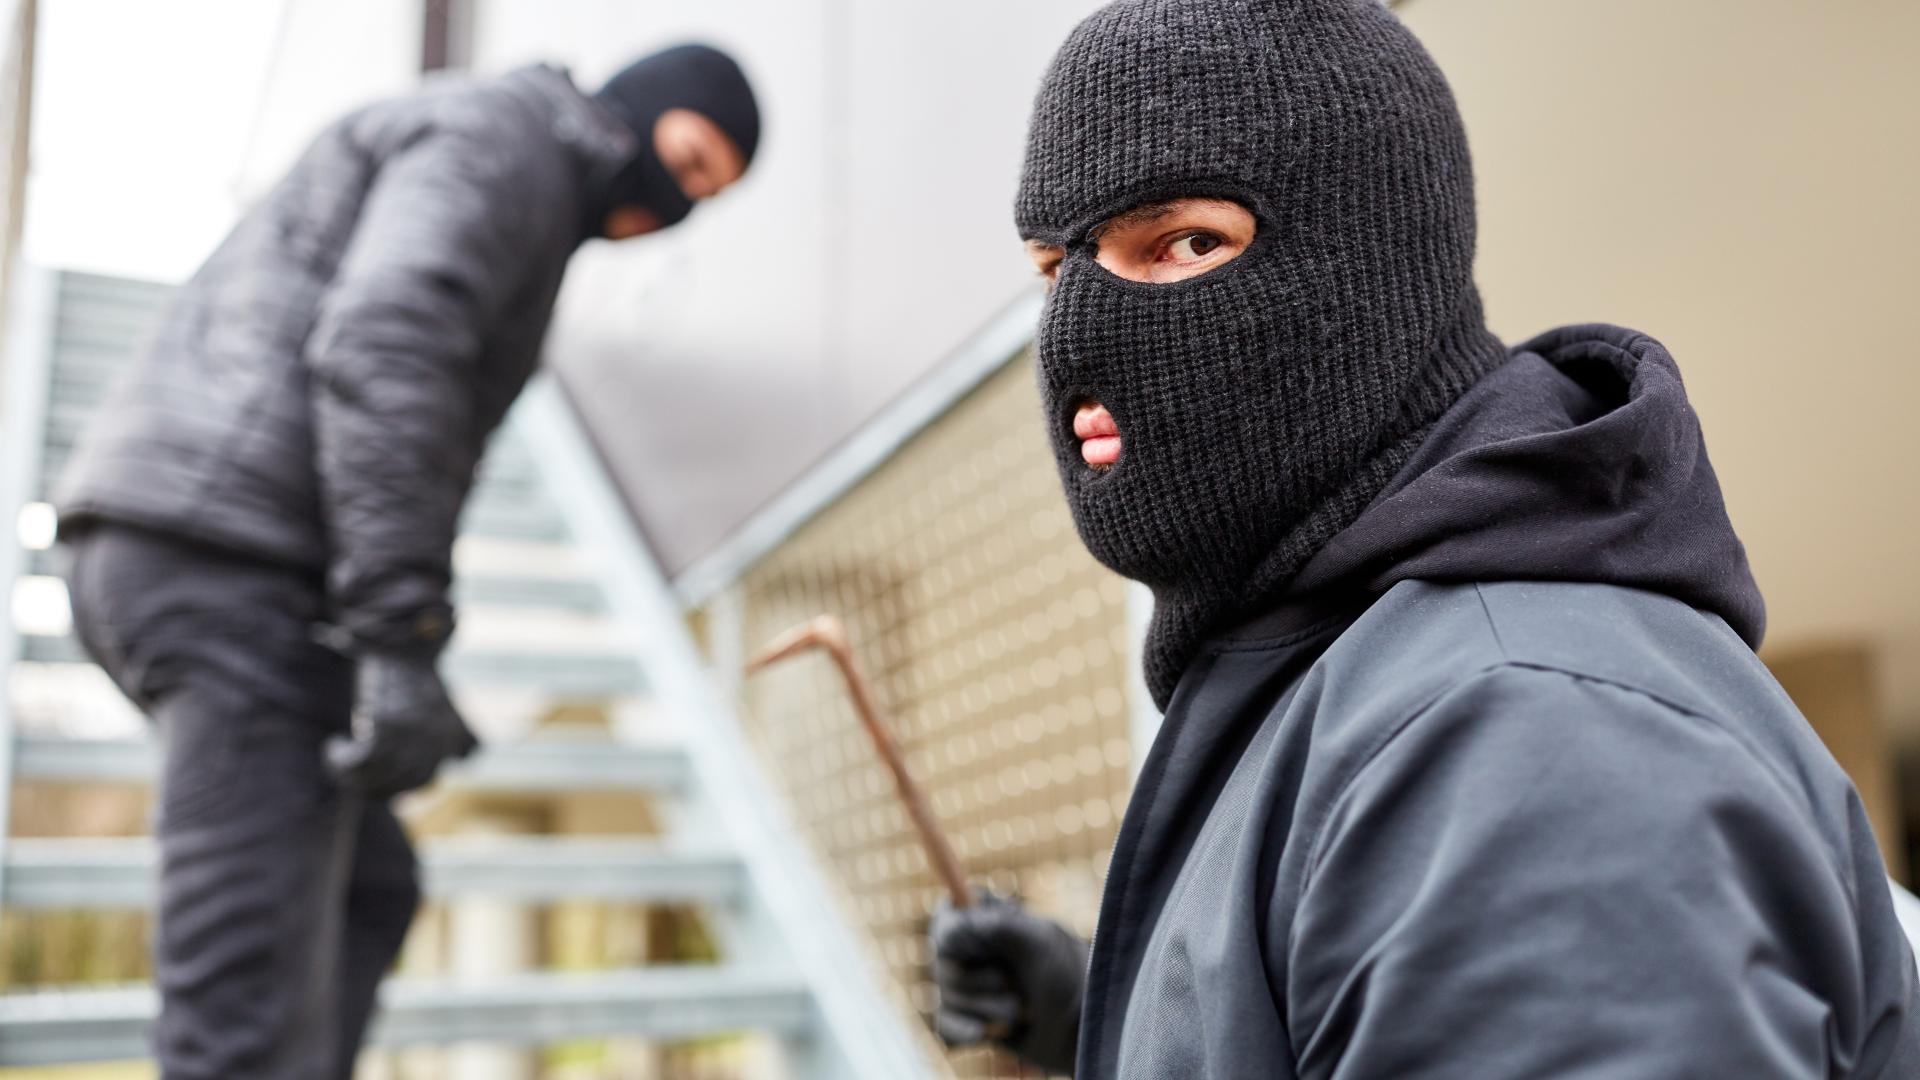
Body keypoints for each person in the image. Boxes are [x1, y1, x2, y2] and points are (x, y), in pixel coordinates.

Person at [929, 1, 1920, 1077]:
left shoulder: (1523, 737)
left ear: (1370, 267)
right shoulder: (1375, 680)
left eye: (1184, 242)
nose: (1079, 333)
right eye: (1054, 269)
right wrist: (1094, 1011)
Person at [55, 45, 758, 1080]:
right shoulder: (511, 146)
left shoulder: (500, 149)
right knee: (240, 1027)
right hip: (235, 570)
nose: (676, 205)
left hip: (205, 548)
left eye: (707, 195)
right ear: (635, 113)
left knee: (369, 889)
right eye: (687, 162)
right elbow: (387, 341)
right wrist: (400, 636)